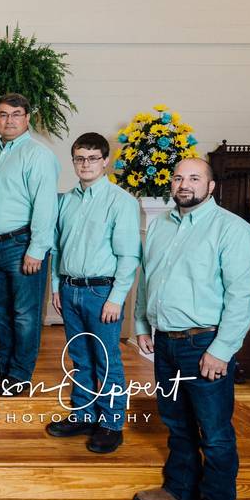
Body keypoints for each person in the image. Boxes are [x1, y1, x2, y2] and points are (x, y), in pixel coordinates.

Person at [132, 158, 250, 500]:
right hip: (166, 343)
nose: (184, 184)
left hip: (204, 343)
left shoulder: (232, 230)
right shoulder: (159, 227)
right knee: (176, 423)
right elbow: (148, 277)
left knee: (215, 431)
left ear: (211, 185)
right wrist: (141, 323)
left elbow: (242, 297)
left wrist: (221, 350)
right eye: (178, 177)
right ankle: (178, 488)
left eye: (193, 178)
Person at [46, 132, 140, 453]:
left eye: (92, 158)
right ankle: (84, 413)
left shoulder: (121, 201)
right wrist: (56, 287)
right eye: (79, 158)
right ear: (73, 161)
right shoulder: (66, 200)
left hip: (103, 293)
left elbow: (129, 256)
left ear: (105, 161)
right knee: (80, 357)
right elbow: (57, 248)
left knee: (106, 359)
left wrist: (116, 298)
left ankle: (112, 423)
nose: (85, 164)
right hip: (70, 290)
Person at [0, 93, 60, 393]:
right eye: (2, 114)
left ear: (27, 118)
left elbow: (46, 206)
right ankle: (2, 363)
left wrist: (37, 250)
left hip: (23, 244)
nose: (8, 120)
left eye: (15, 114)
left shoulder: (38, 155)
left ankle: (21, 374)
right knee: (2, 310)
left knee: (25, 314)